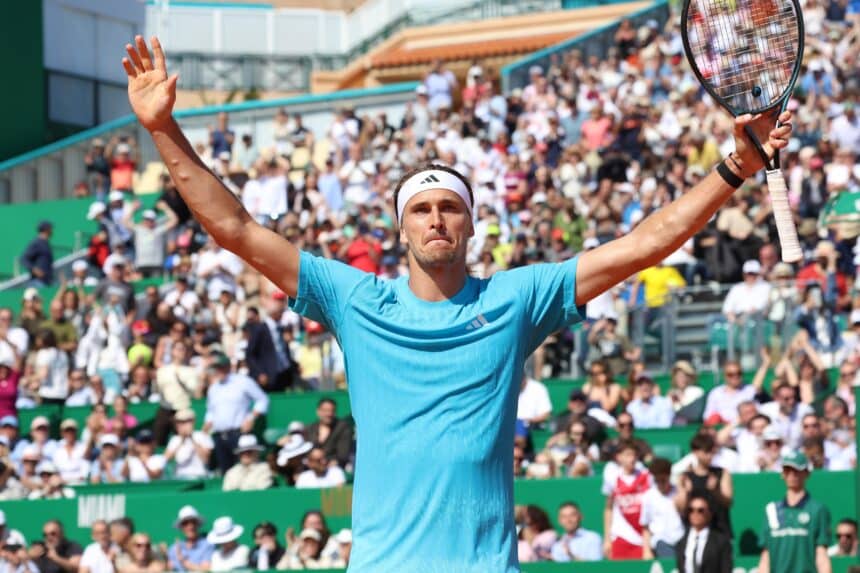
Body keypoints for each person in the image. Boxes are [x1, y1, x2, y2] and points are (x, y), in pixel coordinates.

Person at [123, 34, 793, 572]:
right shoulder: (355, 299)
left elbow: (645, 245)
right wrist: (161, 128)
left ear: (471, 223)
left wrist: (735, 167)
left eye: (449, 207)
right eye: (422, 209)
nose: (436, 219)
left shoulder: (518, 297)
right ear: (402, 226)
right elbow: (234, 227)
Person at [758, 451, 832, 573]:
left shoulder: (818, 509)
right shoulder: (771, 510)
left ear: (806, 473)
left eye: (796, 470)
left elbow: (821, 552)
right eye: (787, 470)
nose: (792, 475)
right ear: (782, 474)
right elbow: (766, 555)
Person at [202, 353, 269, 473]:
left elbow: (262, 399)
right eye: (217, 367)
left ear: (228, 367)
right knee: (226, 472)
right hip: (218, 436)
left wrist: (251, 418)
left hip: (238, 434)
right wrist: (207, 423)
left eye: (221, 367)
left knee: (244, 470)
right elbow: (211, 411)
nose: (219, 370)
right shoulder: (214, 388)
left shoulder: (243, 382)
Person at [602, 441, 652, 559]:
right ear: (619, 457)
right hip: (621, 536)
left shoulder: (646, 477)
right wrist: (607, 539)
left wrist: (648, 545)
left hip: (642, 538)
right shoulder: (613, 478)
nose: (632, 458)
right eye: (628, 455)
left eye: (634, 455)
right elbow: (608, 509)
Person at [675, 493, 733, 573]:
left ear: (709, 513)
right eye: (691, 510)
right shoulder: (681, 543)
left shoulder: (721, 542)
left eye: (700, 510)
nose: (695, 513)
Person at [640, 458, 685, 559]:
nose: (660, 483)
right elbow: (645, 526)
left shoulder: (679, 492)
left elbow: (685, 512)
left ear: (669, 476)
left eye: (663, 480)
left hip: (681, 540)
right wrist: (646, 550)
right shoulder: (648, 497)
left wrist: (681, 489)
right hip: (661, 542)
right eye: (657, 480)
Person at [164, 409, 213, 480]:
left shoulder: (202, 436)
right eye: (179, 422)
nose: (181, 425)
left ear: (193, 422)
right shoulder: (175, 439)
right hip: (179, 477)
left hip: (200, 476)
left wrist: (191, 438)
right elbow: (166, 459)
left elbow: (206, 459)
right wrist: (181, 440)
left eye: (185, 422)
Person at [304, 398, 353, 469]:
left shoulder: (343, 428)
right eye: (325, 410)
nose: (328, 414)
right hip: (310, 467)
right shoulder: (310, 428)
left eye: (332, 411)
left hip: (334, 467)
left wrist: (322, 457)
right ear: (318, 411)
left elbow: (343, 455)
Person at [167, 506, 214, 572]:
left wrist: (183, 561)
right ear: (181, 527)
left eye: (193, 522)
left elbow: (205, 570)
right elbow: (169, 569)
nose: (190, 526)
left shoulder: (207, 545)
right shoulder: (173, 548)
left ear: (198, 524)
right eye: (185, 523)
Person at [20, 221, 54, 287]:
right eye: (51, 228)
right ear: (46, 229)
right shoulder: (37, 243)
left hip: (46, 281)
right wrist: (34, 270)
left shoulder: (46, 243)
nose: (52, 231)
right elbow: (23, 259)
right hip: (38, 282)